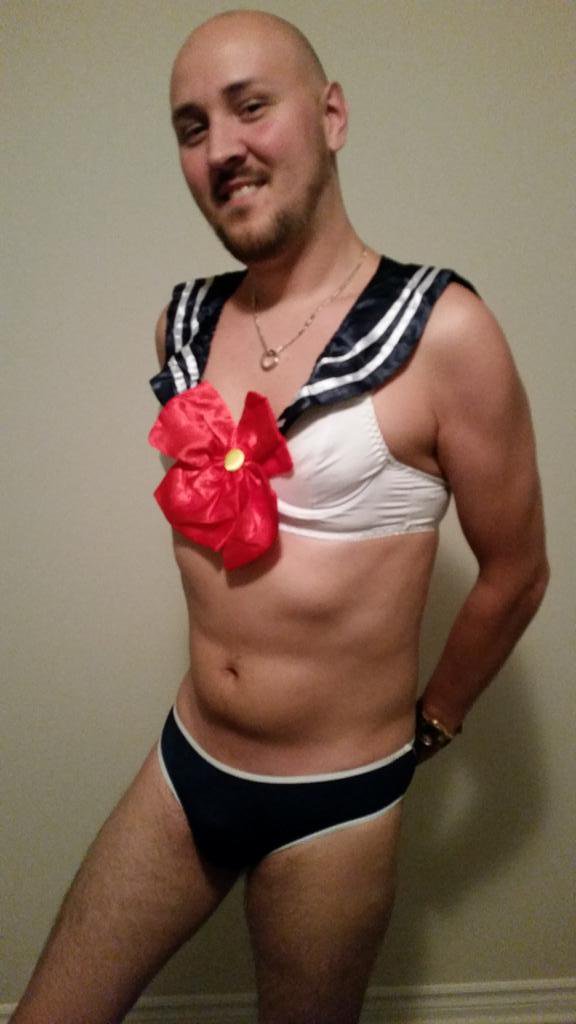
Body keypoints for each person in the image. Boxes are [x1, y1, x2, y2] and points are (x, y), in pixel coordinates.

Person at [11, 9, 549, 1024]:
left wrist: (433, 722)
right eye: (192, 126)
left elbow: (518, 571)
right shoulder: (181, 324)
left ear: (332, 115)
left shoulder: (445, 332)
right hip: (188, 765)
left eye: (251, 106)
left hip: (335, 808)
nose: (222, 147)